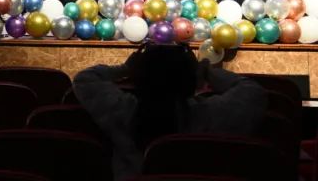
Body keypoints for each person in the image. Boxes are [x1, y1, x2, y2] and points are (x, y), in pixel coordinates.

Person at [74, 44, 268, 181]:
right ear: (191, 81)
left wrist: (125, 68)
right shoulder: (211, 114)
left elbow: (85, 78)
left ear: (138, 79)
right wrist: (206, 72)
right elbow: (253, 91)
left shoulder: (122, 110)